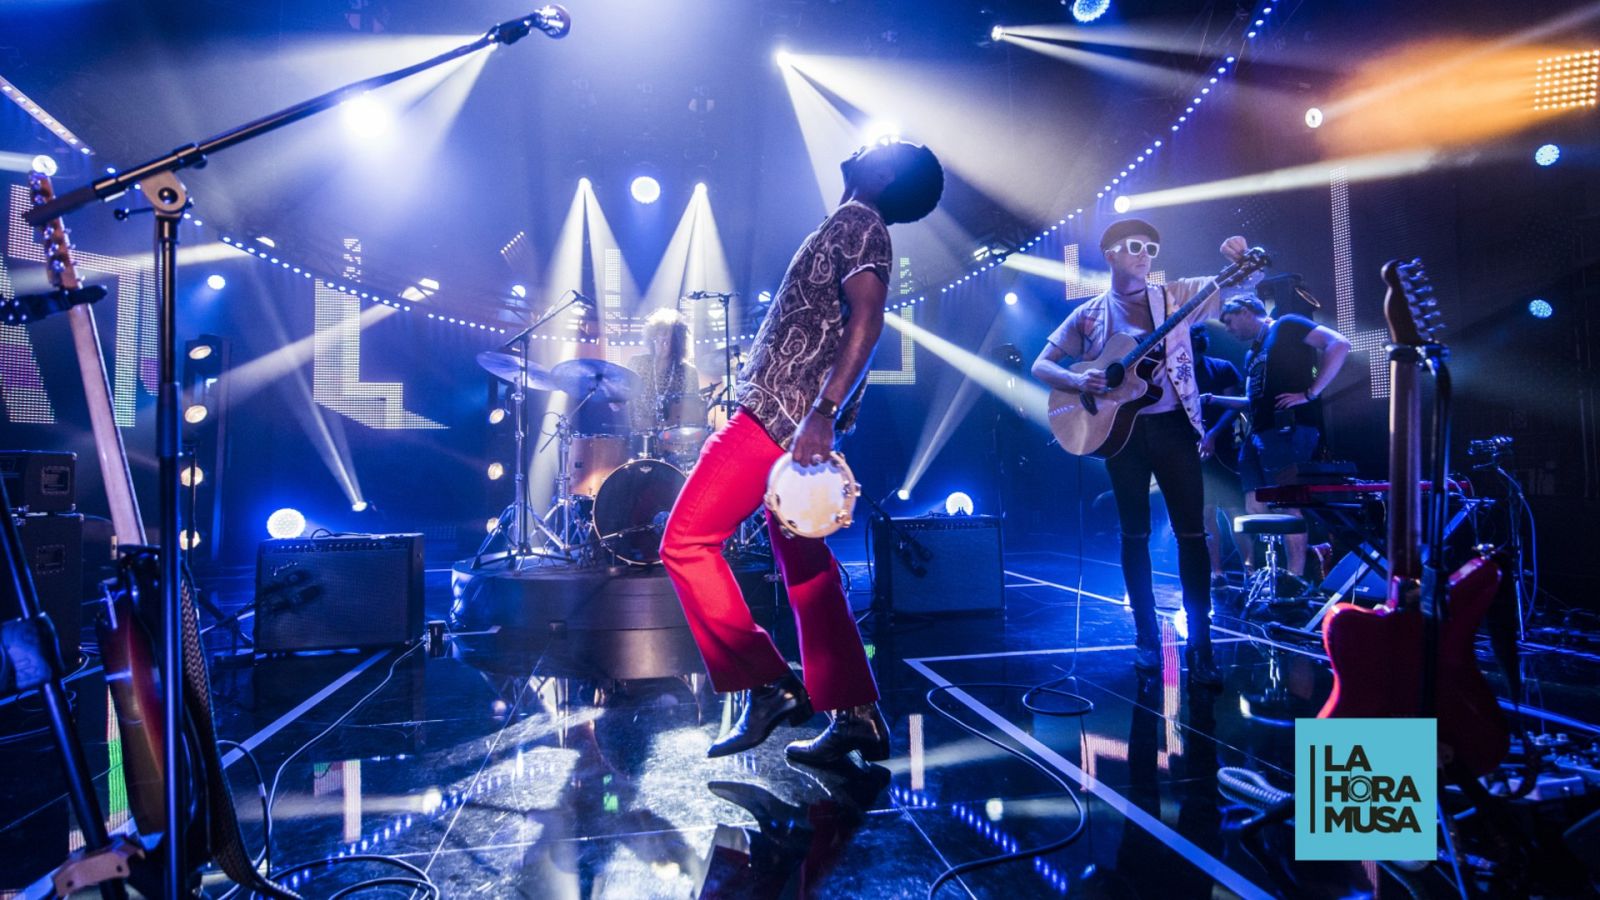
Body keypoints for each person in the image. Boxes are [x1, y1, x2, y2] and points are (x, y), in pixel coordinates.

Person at [660, 139, 945, 763]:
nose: (867, 143)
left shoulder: (858, 222)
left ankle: (766, 685)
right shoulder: (851, 223)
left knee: (684, 542)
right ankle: (857, 717)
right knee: (810, 576)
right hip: (796, 421)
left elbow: (869, 319)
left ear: (886, 172)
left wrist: (823, 411)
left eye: (882, 145)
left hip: (780, 418)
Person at [1032, 219, 1249, 685]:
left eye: (1151, 246)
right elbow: (1041, 363)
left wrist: (1241, 265)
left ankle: (1201, 645)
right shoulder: (1089, 314)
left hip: (1174, 429)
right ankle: (1146, 639)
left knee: (1193, 536)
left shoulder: (1175, 296)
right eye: (1134, 246)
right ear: (1110, 254)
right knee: (1134, 536)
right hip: (1120, 433)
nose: (1144, 253)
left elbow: (1234, 288)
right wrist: (1076, 379)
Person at [1210, 295, 1351, 577]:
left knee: (1286, 505)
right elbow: (1253, 400)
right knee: (1255, 505)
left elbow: (1339, 344)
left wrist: (1311, 393)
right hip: (1258, 434)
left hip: (1288, 429)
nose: (1227, 329)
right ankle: (1282, 569)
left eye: (1228, 321)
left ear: (1246, 311)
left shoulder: (1286, 325)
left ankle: (1293, 578)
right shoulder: (1252, 353)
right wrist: (1213, 399)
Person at [1191, 323, 1251, 590]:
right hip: (1192, 450)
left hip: (1223, 448)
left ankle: (1250, 568)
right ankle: (1217, 571)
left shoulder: (1222, 367)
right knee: (1205, 514)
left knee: (1234, 510)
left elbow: (1234, 405)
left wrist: (1213, 434)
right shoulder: (1174, 373)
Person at [627, 308, 706, 467]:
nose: (662, 342)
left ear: (677, 343)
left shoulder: (688, 371)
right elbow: (623, 393)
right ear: (651, 337)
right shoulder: (637, 363)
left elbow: (691, 412)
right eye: (659, 336)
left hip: (673, 443)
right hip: (639, 438)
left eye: (668, 338)